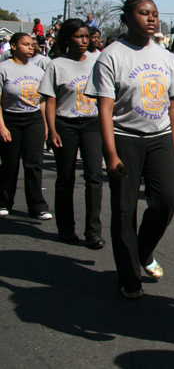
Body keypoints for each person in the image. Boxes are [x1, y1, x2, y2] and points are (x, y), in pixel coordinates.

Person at [85, 0, 174, 300]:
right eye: (144, 13)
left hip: (160, 139)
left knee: (167, 199)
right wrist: (111, 153)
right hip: (125, 138)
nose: (152, 18)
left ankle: (143, 250)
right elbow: (104, 108)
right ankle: (128, 276)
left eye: (154, 13)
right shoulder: (111, 56)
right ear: (128, 18)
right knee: (124, 209)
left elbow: (173, 104)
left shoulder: (165, 56)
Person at [39, 19, 104, 248]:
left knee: (94, 176)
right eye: (79, 36)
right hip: (65, 124)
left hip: (92, 124)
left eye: (87, 36)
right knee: (65, 178)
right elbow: (50, 100)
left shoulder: (98, 62)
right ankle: (66, 228)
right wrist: (52, 130)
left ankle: (93, 231)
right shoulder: (56, 65)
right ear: (68, 39)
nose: (85, 41)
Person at [0, 33, 50, 220]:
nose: (31, 47)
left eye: (33, 45)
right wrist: (2, 127)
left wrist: (45, 125)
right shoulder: (3, 69)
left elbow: (43, 101)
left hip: (34, 121)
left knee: (34, 164)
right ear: (13, 46)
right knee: (10, 164)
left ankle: (37, 206)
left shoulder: (38, 70)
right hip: (10, 120)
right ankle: (3, 202)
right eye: (26, 44)